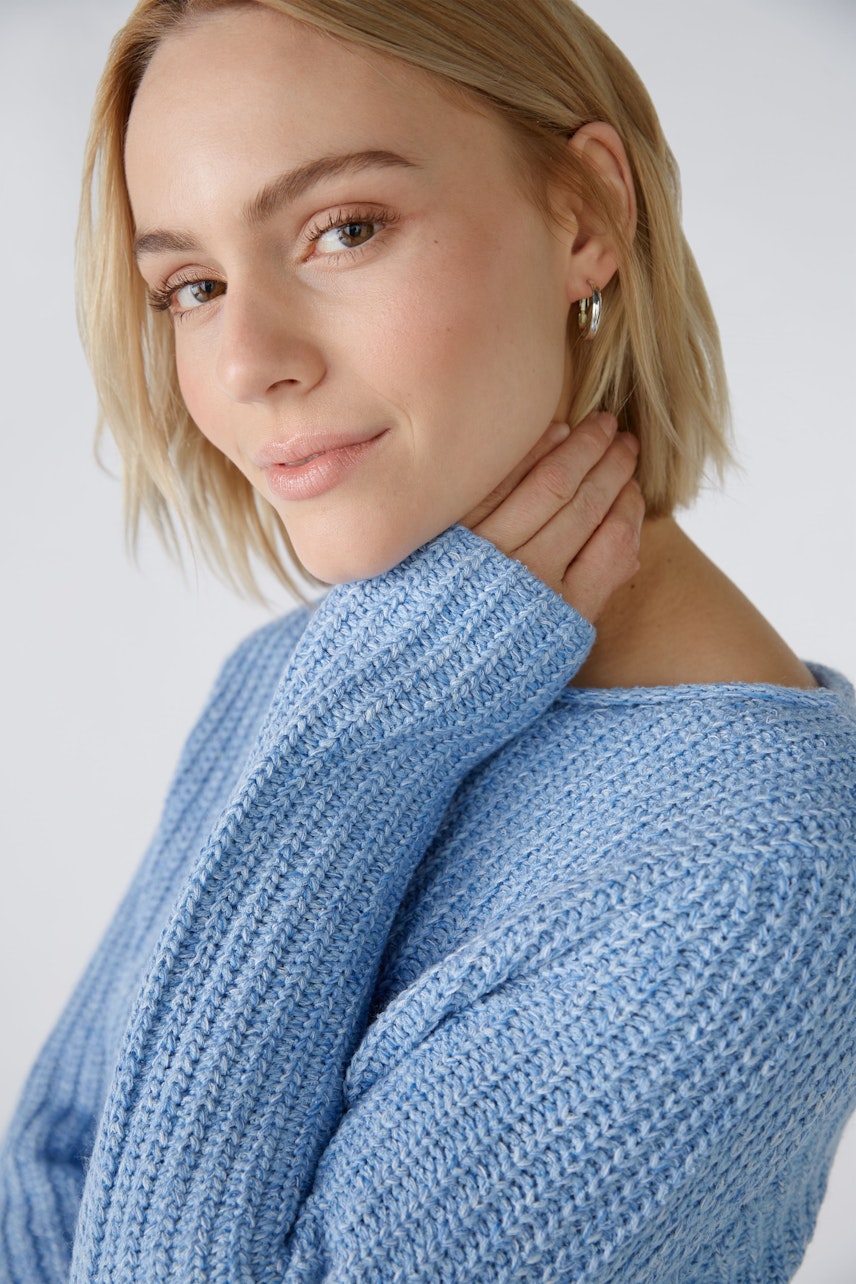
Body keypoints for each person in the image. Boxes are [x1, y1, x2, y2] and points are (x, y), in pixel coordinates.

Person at [1, 0, 854, 1280]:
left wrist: (351, 760)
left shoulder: (757, 872)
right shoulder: (310, 679)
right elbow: (54, 1179)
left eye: (344, 228)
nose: (246, 362)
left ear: (583, 215)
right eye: (190, 285)